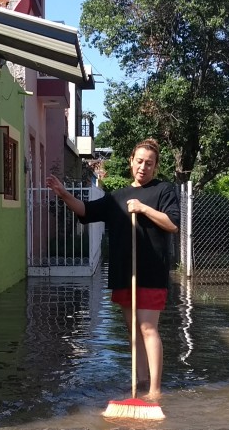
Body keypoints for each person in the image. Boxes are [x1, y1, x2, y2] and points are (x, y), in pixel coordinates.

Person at [46, 139, 180, 399]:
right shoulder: (117, 196)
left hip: (151, 271)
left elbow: (172, 223)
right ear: (131, 161)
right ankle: (140, 383)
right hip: (123, 273)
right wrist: (64, 194)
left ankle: (155, 390)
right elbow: (86, 210)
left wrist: (143, 208)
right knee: (133, 331)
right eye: (139, 161)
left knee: (148, 328)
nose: (143, 167)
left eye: (149, 163)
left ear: (156, 166)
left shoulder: (164, 190)